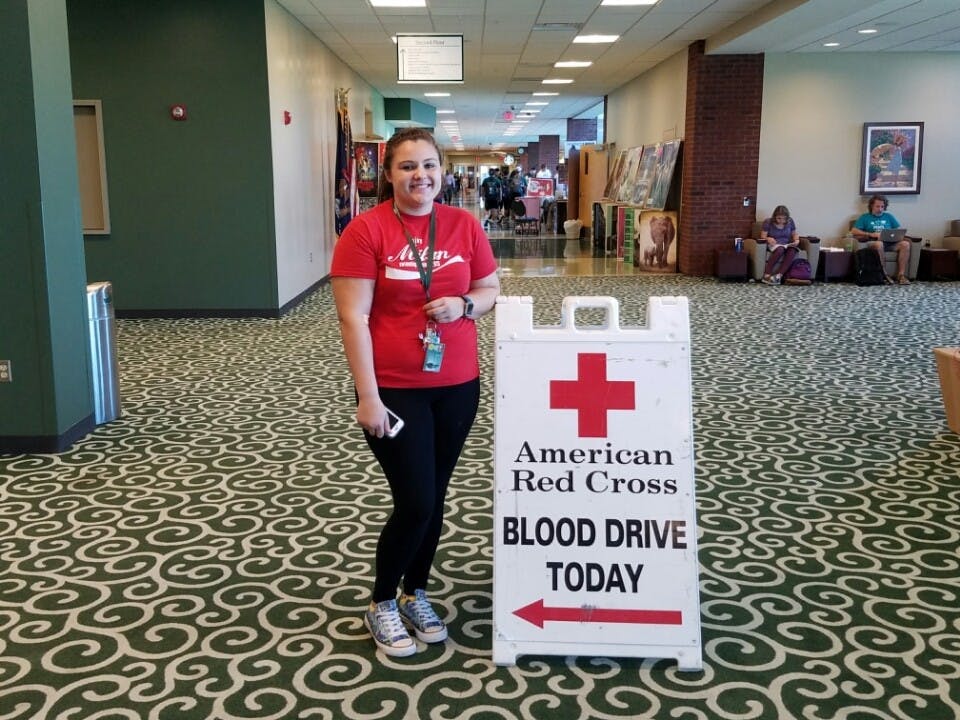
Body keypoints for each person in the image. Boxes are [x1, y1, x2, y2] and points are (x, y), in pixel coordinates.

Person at [330, 127, 500, 658]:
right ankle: (382, 601)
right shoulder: (366, 231)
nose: (420, 176)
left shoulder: (463, 224)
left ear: (442, 171)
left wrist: (465, 306)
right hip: (396, 388)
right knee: (417, 499)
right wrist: (368, 396)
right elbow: (352, 317)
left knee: (435, 497)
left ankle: (415, 592)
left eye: (429, 165)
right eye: (407, 166)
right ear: (388, 174)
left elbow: (490, 287)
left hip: (457, 385)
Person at [851, 194, 910, 284]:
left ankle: (901, 275)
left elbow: (897, 230)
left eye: (882, 206)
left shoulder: (889, 216)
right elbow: (854, 231)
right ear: (871, 206)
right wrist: (871, 234)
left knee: (905, 244)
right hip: (873, 243)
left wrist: (896, 236)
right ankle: (884, 274)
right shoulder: (865, 217)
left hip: (890, 243)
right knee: (879, 244)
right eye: (877, 206)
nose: (880, 209)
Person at [759, 205, 800, 285]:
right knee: (780, 249)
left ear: (787, 218)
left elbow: (794, 234)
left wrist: (796, 240)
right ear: (775, 216)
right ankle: (766, 274)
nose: (781, 221)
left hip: (786, 244)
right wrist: (768, 238)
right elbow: (763, 236)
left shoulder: (790, 221)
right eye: (779, 218)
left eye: (784, 219)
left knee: (793, 249)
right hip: (774, 244)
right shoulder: (768, 222)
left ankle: (778, 276)